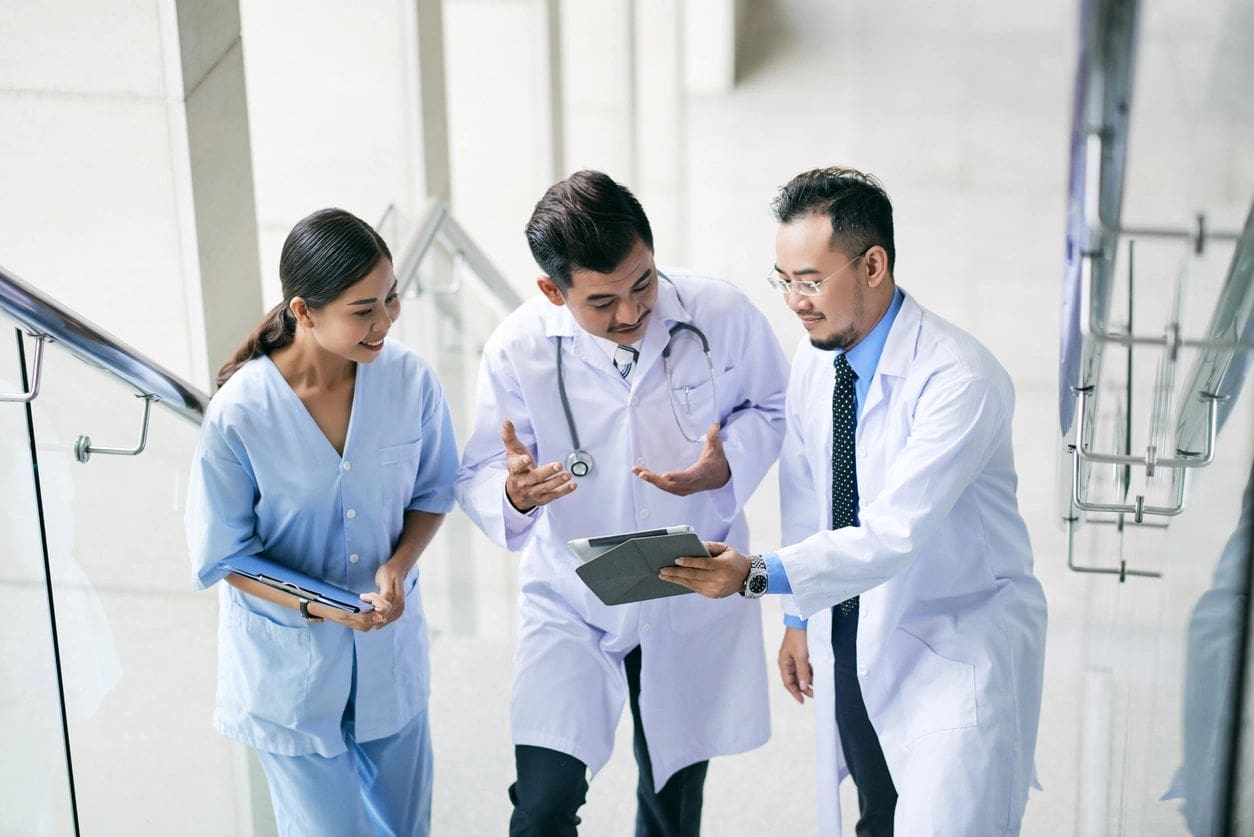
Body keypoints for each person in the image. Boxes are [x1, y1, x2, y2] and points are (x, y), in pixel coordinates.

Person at [660, 167, 1048, 835]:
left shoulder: (960, 379)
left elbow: (892, 532)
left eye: (809, 280)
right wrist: (798, 617)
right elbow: (808, 496)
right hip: (854, 631)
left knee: (944, 816)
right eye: (782, 280)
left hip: (955, 643)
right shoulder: (818, 361)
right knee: (877, 811)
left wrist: (754, 572)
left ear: (874, 265)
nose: (794, 301)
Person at [455, 169, 788, 836]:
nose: (632, 313)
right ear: (553, 291)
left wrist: (729, 463)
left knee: (670, 806)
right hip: (574, 598)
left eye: (643, 283)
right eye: (602, 302)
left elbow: (773, 405)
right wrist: (514, 496)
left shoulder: (718, 314)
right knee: (543, 806)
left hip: (686, 585)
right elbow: (481, 471)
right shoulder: (519, 349)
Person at [185, 208, 458, 837]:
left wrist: (397, 565)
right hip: (290, 678)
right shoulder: (241, 415)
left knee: (406, 830)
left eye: (391, 298)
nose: (385, 321)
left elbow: (435, 489)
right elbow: (226, 554)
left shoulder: (408, 379)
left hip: (390, 653)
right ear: (305, 311)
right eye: (364, 310)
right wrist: (321, 606)